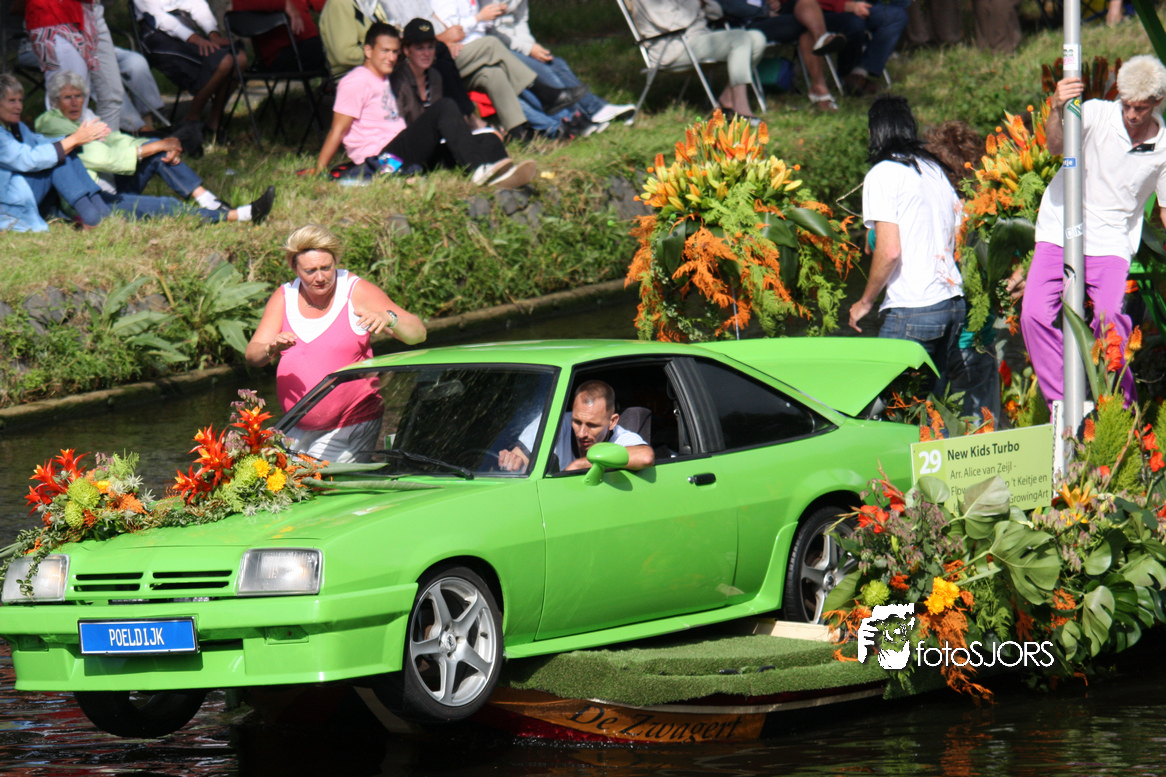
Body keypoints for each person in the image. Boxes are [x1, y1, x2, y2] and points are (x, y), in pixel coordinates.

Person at [1020, 56, 1166, 409]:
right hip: (1060, 227)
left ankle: (1120, 412)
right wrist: (1058, 108)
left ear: (1157, 102)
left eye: (1140, 108)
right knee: (1033, 315)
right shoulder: (1097, 113)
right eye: (1126, 104)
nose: (1131, 114)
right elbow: (1056, 146)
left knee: (1110, 322)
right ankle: (1063, 405)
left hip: (1112, 239)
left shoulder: (1164, 148)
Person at [246, 224, 427, 462]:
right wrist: (270, 348)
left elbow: (418, 334)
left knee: (315, 481)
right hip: (296, 425)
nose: (320, 277)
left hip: (351, 422)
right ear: (293, 267)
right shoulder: (284, 296)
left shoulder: (355, 291)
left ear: (336, 261)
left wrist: (389, 318)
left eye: (326, 267)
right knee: (279, 481)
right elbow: (252, 356)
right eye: (310, 271)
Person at [311, 22, 536, 188]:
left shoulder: (388, 79)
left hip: (407, 154)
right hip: (384, 160)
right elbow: (337, 129)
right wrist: (319, 170)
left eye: (394, 52)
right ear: (368, 51)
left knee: (487, 138)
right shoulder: (356, 81)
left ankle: (503, 176)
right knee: (444, 107)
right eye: (385, 51)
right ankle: (480, 170)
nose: (391, 57)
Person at [35, 71, 276, 225]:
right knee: (166, 205)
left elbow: (117, 139)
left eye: (78, 96)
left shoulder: (85, 116)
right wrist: (155, 145)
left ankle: (208, 200)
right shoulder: (50, 123)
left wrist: (157, 145)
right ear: (55, 101)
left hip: (112, 185)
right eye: (67, 97)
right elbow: (102, 157)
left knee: (157, 151)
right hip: (92, 200)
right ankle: (238, 215)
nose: (75, 102)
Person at [849, 95, 964, 395]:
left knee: (886, 403)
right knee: (932, 409)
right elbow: (960, 236)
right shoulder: (935, 171)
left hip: (914, 309)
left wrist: (865, 302)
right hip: (952, 303)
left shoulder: (883, 173)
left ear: (874, 133)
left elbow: (889, 251)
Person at [925, 119, 1002, 421]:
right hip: (976, 340)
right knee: (981, 432)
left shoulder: (928, 208)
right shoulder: (989, 211)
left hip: (935, 338)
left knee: (932, 428)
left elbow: (880, 241)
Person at [429, 0, 588, 139]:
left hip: (477, 52)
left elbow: (483, 28)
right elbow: (453, 33)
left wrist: (491, 15)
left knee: (493, 74)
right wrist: (479, 17)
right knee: (492, 45)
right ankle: (546, 97)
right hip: (450, 57)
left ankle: (521, 133)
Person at [492, 0, 636, 133]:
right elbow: (490, 31)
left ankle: (596, 108)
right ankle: (578, 117)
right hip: (498, 48)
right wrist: (527, 49)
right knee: (544, 72)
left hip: (518, 44)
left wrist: (531, 46)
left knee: (557, 63)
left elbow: (520, 21)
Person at [632, 0, 768, 123]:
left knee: (757, 38)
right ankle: (741, 108)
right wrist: (697, 3)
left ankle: (727, 99)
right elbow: (673, 23)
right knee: (739, 38)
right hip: (673, 48)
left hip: (698, 39)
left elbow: (716, 13)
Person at [133, 0, 245, 141]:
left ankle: (214, 120)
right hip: (157, 34)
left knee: (240, 58)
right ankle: (192, 118)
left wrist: (213, 33)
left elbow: (197, 4)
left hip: (186, 25)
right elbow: (157, 17)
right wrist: (193, 38)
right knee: (224, 62)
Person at [499, 380, 654, 473]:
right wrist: (512, 462)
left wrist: (581, 464)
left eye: (592, 425)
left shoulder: (621, 437)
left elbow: (645, 457)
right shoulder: (555, 423)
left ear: (612, 422)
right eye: (577, 422)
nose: (581, 433)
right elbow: (521, 458)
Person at [720, 0, 844, 111]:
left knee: (807, 9)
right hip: (747, 24)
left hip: (767, 15)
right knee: (807, 22)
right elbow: (729, 5)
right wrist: (765, 11)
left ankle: (821, 37)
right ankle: (819, 87)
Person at [24, 0, 125, 130]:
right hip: (56, 15)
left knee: (111, 95)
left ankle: (107, 140)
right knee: (67, 100)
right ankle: (68, 142)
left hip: (90, 13)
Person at [815, 0, 907, 96]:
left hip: (856, 4)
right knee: (855, 24)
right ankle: (847, 73)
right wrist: (844, 5)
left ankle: (860, 72)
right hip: (823, 10)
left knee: (896, 16)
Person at [230, 0, 329, 71]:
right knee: (332, 48)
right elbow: (240, 4)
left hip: (310, 44)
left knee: (334, 43)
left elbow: (325, 4)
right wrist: (284, 4)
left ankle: (331, 87)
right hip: (280, 54)